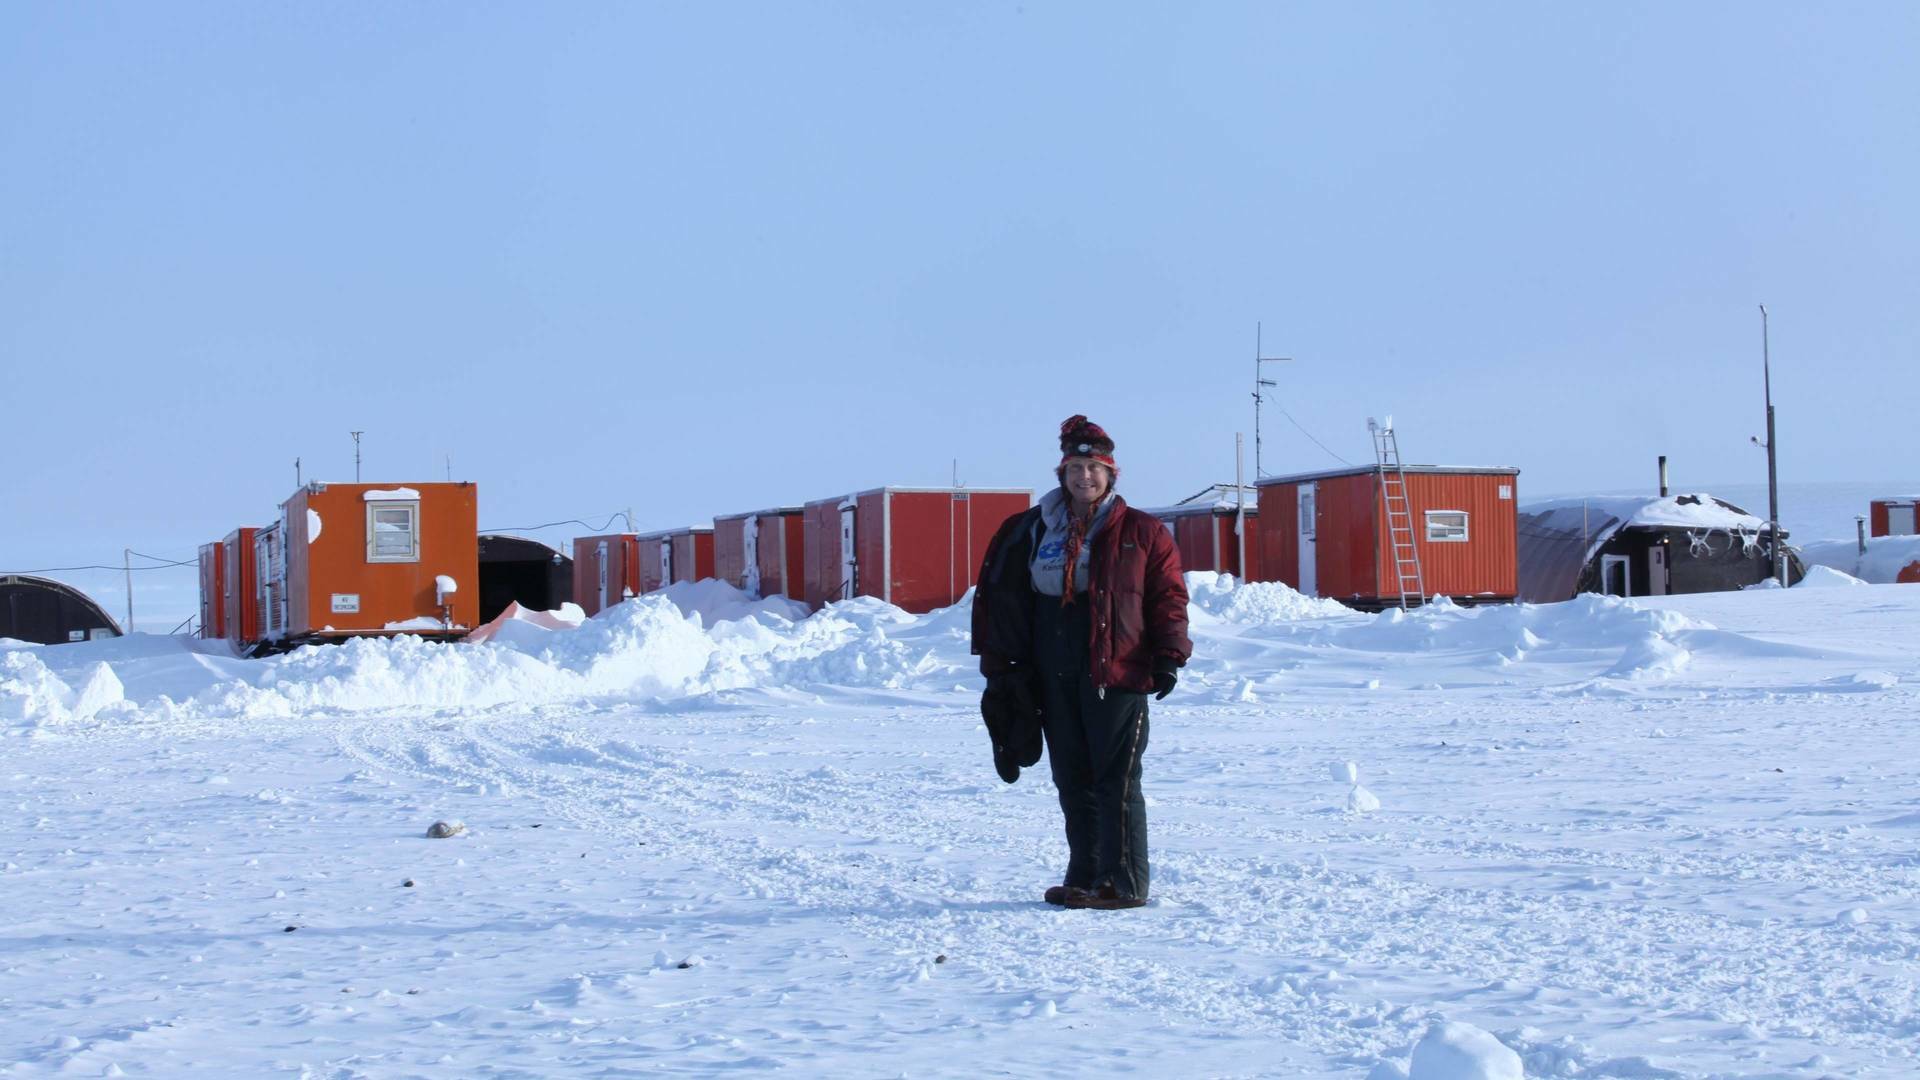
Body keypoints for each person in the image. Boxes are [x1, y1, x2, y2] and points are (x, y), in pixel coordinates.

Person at [971, 414, 1191, 910]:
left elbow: (1168, 597)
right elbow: (1006, 595)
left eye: (1094, 469)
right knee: (1071, 774)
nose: (1084, 478)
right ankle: (1085, 873)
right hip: (1052, 663)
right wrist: (1004, 666)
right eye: (1074, 468)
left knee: (1115, 777)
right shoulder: (1032, 528)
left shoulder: (1142, 531)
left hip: (1118, 666)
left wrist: (1169, 655)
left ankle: (1124, 882)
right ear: (1062, 473)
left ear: (1111, 475)